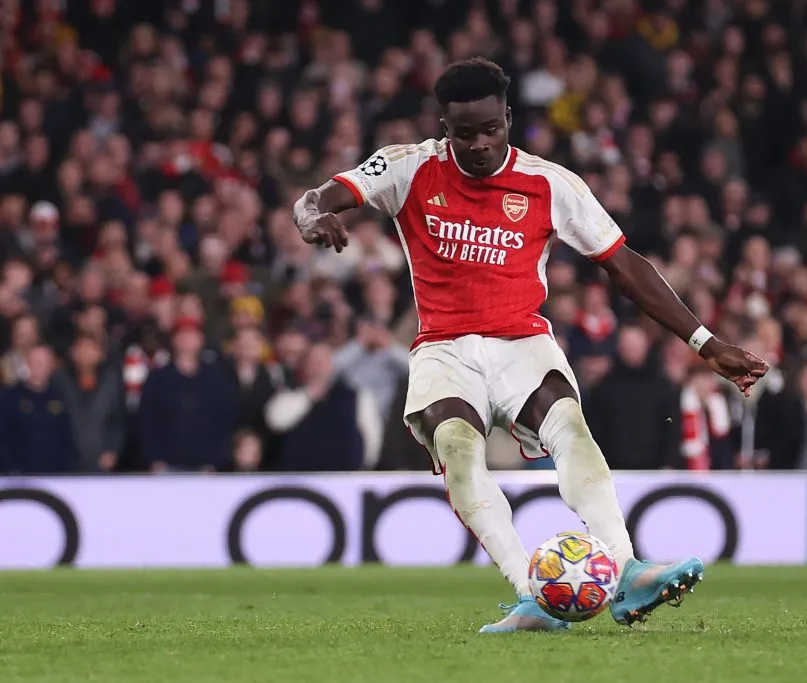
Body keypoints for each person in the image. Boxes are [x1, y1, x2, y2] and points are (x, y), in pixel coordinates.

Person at [293, 58, 767, 633]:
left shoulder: (549, 183)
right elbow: (317, 197)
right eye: (463, 133)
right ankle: (533, 599)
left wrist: (705, 341)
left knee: (570, 429)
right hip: (443, 348)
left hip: (522, 341)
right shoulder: (407, 167)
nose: (478, 145)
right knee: (459, 454)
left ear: (509, 119)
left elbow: (623, 264)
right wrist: (314, 215)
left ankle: (626, 571)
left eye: (490, 129)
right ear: (444, 126)